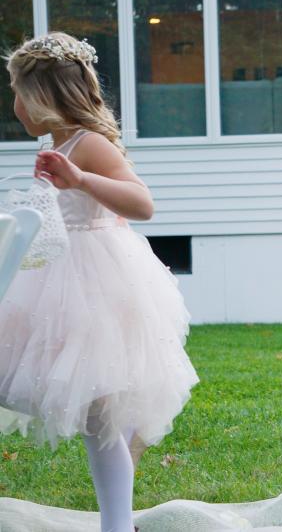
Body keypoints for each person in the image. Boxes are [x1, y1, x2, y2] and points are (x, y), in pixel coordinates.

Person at [0, 32, 199, 531]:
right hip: (55, 279)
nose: (14, 103)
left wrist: (83, 178)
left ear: (42, 96)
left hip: (95, 283)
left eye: (16, 91)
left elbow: (142, 204)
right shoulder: (59, 143)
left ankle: (116, 523)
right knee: (89, 409)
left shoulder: (88, 144)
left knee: (101, 415)